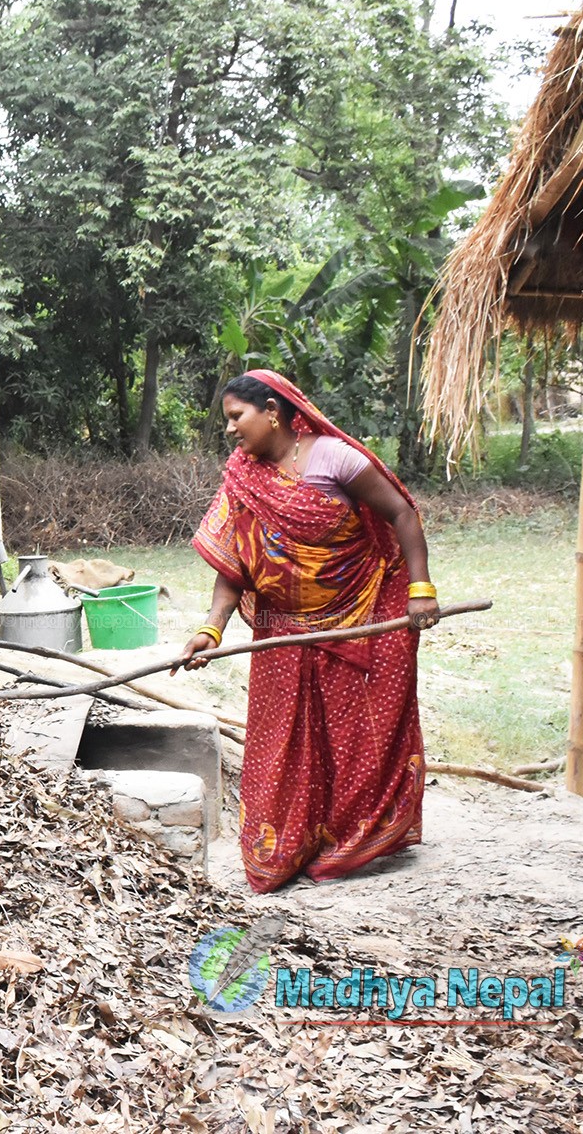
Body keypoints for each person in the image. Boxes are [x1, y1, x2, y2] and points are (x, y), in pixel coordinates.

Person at [179, 369, 440, 893]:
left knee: (354, 737)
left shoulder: (333, 458)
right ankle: (284, 849)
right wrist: (212, 630)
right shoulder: (242, 478)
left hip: (356, 617)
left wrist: (420, 589)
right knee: (283, 744)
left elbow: (401, 513)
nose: (230, 430)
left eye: (237, 417)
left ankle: (347, 843)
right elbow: (234, 568)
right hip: (280, 632)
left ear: (272, 411)